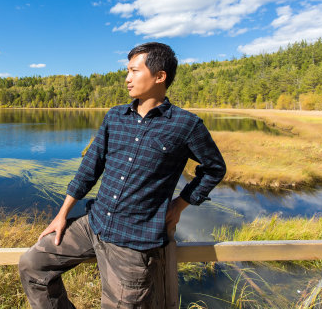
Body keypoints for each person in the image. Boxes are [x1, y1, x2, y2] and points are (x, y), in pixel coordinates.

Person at [19, 42, 226, 308]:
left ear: (159, 76)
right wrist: (62, 215)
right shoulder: (115, 116)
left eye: (134, 71)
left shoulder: (186, 125)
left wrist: (180, 204)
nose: (127, 78)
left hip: (134, 244)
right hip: (93, 224)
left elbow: (214, 168)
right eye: (127, 71)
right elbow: (90, 167)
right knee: (32, 266)